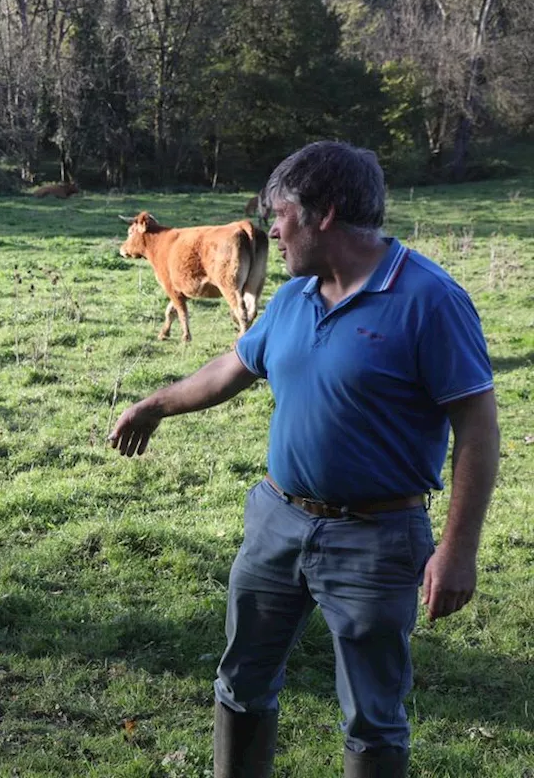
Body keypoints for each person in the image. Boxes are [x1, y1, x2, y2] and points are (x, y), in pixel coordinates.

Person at [109, 141, 499, 778]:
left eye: (280, 215)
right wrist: (157, 404)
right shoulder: (293, 297)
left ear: (325, 214)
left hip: (378, 538)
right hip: (277, 522)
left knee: (373, 715)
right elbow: (233, 367)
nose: (270, 233)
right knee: (241, 681)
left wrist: (458, 548)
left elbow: (478, 430)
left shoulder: (429, 300)